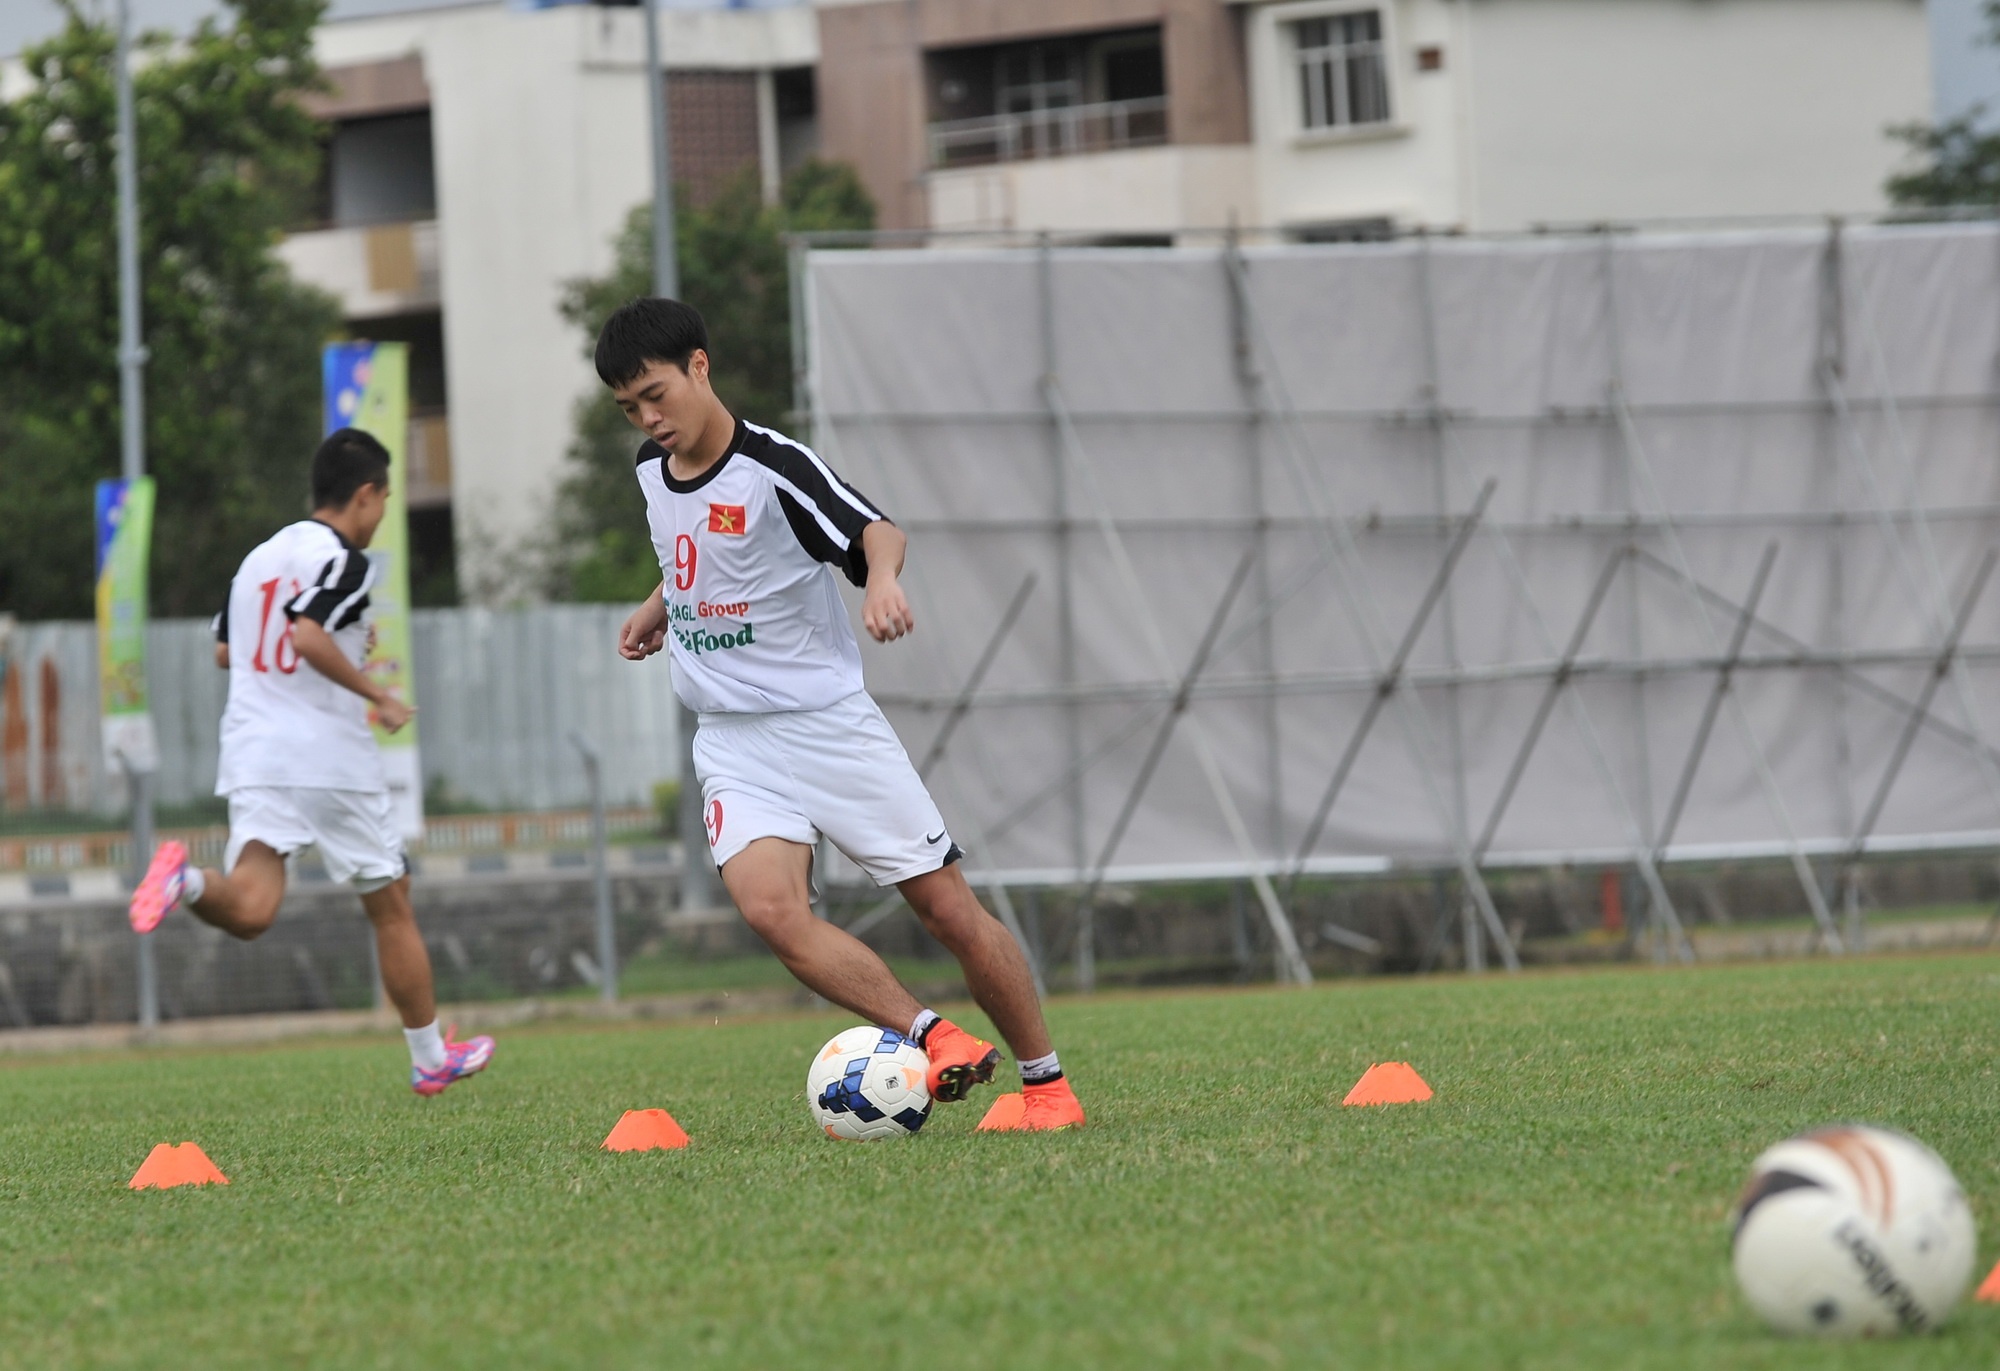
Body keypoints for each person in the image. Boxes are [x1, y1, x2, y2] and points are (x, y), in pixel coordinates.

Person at [602, 297, 1084, 1131]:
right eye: (629, 407)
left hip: (828, 728)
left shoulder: (775, 469)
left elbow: (876, 531)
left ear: (699, 367)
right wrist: (662, 604)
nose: (648, 418)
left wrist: (883, 582)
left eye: (655, 394)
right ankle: (935, 1037)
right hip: (732, 740)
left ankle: (1047, 1086)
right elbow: (697, 553)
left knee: (946, 910)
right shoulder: (653, 469)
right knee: (773, 913)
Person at [128, 428, 493, 1098]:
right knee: (391, 903)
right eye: (385, 499)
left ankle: (187, 882)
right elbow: (306, 635)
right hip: (327, 757)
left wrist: (324, 646)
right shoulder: (345, 561)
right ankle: (429, 1057)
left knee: (251, 907)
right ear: (366, 494)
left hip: (253, 750)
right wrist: (378, 693)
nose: (381, 514)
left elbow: (227, 650)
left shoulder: (257, 560)